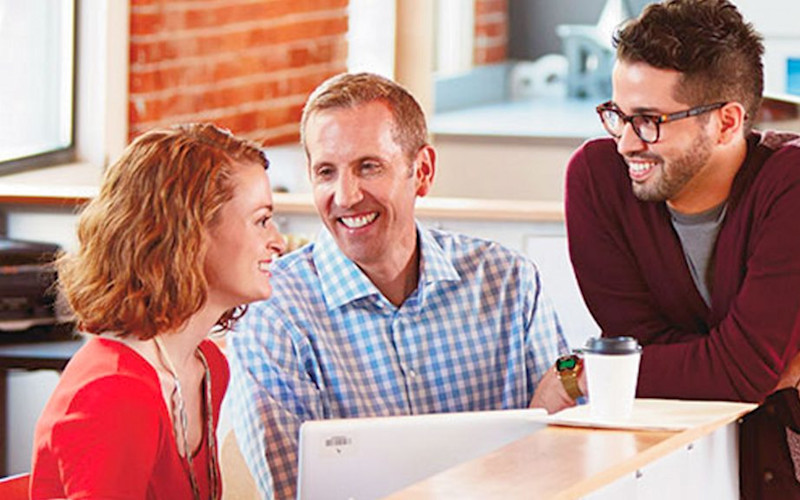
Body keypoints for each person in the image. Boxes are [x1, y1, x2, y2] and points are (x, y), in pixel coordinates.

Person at [226, 72, 569, 499]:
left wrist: (575, 386)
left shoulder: (509, 284)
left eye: (368, 167)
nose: (346, 195)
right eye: (326, 172)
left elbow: (566, 458)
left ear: (422, 171)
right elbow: (292, 493)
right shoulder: (274, 313)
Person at [558, 0, 800, 497]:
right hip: (686, 461)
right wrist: (760, 370)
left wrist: (584, 374)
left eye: (649, 120)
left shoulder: (790, 186)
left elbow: (735, 371)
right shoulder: (597, 180)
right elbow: (642, 346)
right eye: (618, 115)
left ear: (728, 122)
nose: (626, 142)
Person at [30, 123, 286, 499]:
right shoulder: (114, 394)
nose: (277, 241)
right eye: (261, 220)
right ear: (192, 235)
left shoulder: (207, 366)